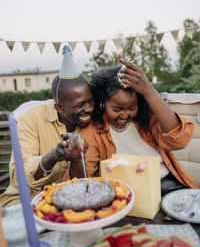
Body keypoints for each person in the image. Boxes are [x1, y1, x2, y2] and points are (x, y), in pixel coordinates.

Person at [79, 59, 200, 195]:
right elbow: (83, 174)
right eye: (117, 109)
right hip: (125, 192)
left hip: (167, 184)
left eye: (132, 107)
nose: (124, 115)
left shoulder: (146, 119)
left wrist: (148, 90)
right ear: (102, 104)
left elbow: (179, 140)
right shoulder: (94, 130)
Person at [0, 45, 95, 207]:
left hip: (71, 200)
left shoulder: (94, 121)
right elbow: (18, 178)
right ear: (59, 108)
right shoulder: (31, 118)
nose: (89, 109)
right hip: (26, 201)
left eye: (91, 101)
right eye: (80, 105)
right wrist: (54, 156)